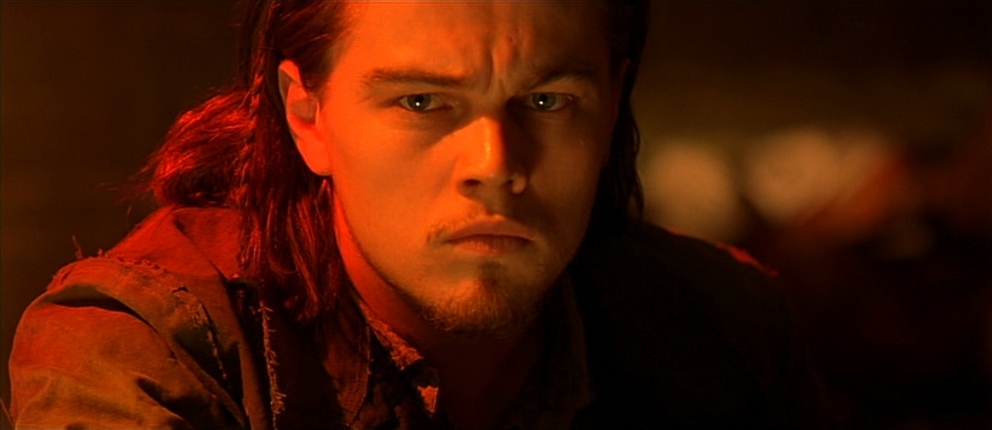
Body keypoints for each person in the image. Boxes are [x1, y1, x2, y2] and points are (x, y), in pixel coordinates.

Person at [7, 1, 821, 428]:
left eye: (547, 100)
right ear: (306, 114)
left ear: (610, 109)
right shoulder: (147, 344)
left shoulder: (720, 328)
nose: (495, 164)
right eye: (423, 101)